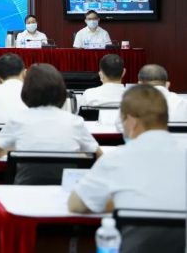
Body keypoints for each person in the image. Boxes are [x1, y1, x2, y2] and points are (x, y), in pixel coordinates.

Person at [68, 85, 186, 216]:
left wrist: (117, 202)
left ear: (131, 122)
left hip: (133, 229)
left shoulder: (115, 159)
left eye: (122, 119)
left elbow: (76, 204)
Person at [0, 63, 102, 159]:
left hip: (26, 180)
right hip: (63, 180)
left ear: (26, 91)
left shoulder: (18, 120)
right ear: (61, 90)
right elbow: (98, 155)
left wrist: (17, 149)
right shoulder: (75, 121)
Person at [80, 54, 126, 123]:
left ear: (100, 74)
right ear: (124, 72)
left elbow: (80, 117)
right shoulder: (134, 96)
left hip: (95, 129)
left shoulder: (89, 94)